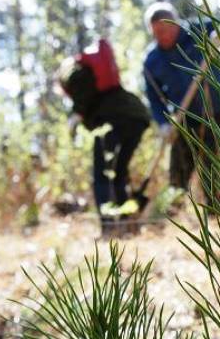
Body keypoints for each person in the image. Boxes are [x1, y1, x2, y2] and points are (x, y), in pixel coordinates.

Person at [142, 2, 220, 204]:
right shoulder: (152, 61)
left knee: (211, 164)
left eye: (164, 30)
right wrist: (163, 124)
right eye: (155, 33)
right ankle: (172, 211)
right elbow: (154, 99)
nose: (161, 37)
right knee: (179, 167)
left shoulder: (198, 30)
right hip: (183, 118)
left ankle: (215, 212)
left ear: (176, 23)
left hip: (214, 110)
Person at [57, 39, 151, 238]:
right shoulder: (99, 76)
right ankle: (125, 224)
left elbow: (82, 92)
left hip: (113, 119)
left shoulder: (75, 72)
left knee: (102, 175)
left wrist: (76, 115)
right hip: (137, 116)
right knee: (117, 172)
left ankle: (109, 227)